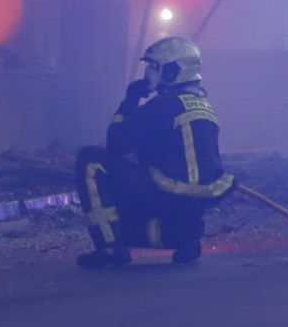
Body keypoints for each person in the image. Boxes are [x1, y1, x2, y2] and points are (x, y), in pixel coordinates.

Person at [73, 36, 235, 269]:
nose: (148, 73)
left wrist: (130, 100)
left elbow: (115, 144)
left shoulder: (162, 106)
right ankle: (182, 236)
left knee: (89, 160)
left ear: (171, 71)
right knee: (131, 215)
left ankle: (110, 247)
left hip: (168, 190)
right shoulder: (204, 106)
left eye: (154, 67)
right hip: (194, 203)